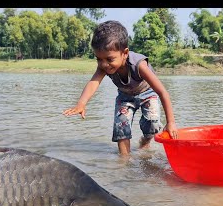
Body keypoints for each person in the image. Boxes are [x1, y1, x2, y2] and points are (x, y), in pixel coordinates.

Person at [62, 20, 178, 155]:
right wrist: (81, 103)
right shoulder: (104, 67)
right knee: (121, 126)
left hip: (147, 93)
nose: (104, 64)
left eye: (109, 59)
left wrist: (171, 122)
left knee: (152, 123)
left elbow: (162, 92)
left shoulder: (139, 65)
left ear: (125, 53)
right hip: (125, 97)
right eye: (99, 59)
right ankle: (124, 161)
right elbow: (94, 82)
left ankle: (145, 141)